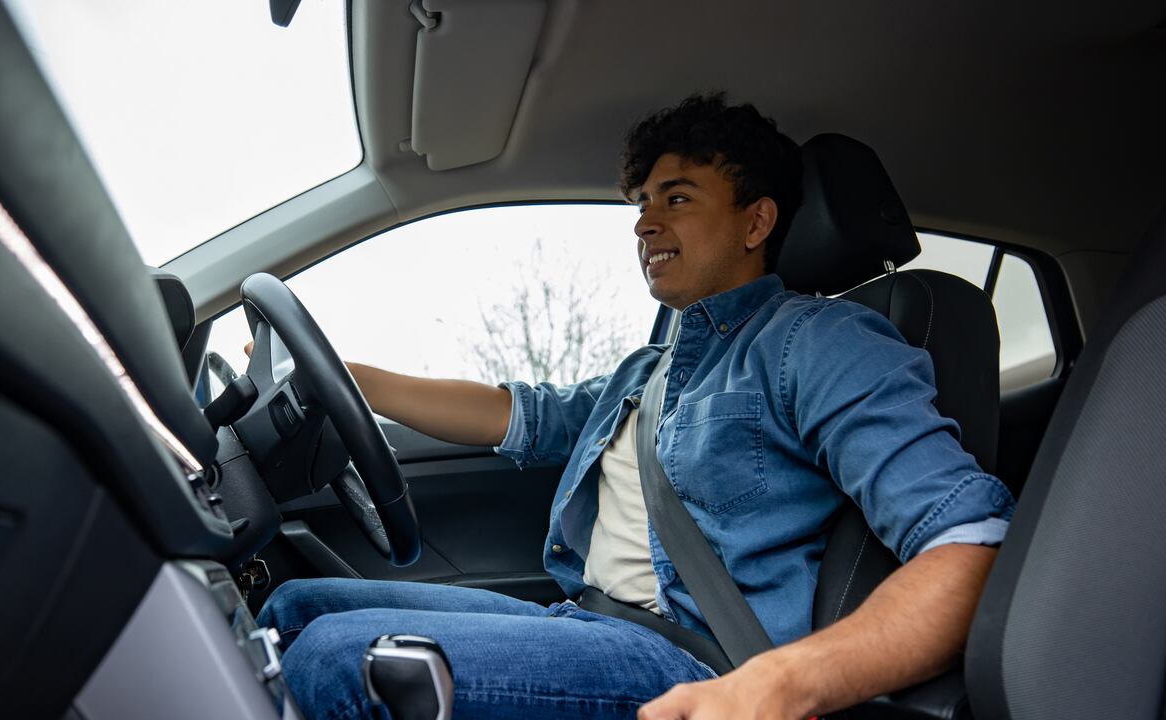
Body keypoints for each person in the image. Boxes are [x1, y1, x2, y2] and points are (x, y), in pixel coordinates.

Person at [256, 94, 1013, 719]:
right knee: (295, 608)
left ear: (757, 222)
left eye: (677, 199)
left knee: (332, 663)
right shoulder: (647, 370)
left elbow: (972, 545)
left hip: (686, 657)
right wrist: (347, 378)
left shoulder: (817, 342)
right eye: (642, 203)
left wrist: (786, 682)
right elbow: (514, 414)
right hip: (580, 620)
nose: (645, 223)